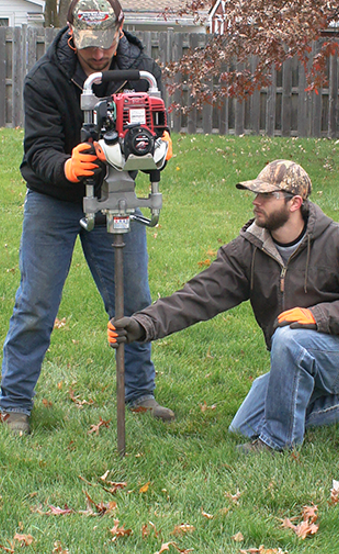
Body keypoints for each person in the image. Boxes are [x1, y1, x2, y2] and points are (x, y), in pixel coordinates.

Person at [0, 0, 175, 435]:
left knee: (132, 299)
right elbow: (36, 152)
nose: (98, 54)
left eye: (105, 42)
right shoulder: (45, 77)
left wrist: (162, 147)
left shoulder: (141, 72)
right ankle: (14, 402)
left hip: (118, 190)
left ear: (120, 31)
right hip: (53, 199)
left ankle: (139, 394)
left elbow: (155, 130)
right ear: (71, 34)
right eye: (88, 43)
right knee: (36, 303)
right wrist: (67, 167)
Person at [108, 159, 339, 453]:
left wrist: (316, 316)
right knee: (244, 426)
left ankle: (277, 444)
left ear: (295, 203)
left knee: (289, 336)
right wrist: (143, 324)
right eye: (255, 193)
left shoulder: (333, 242)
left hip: (329, 350)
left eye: (267, 196)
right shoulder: (250, 250)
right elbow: (197, 295)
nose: (256, 201)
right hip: (294, 360)